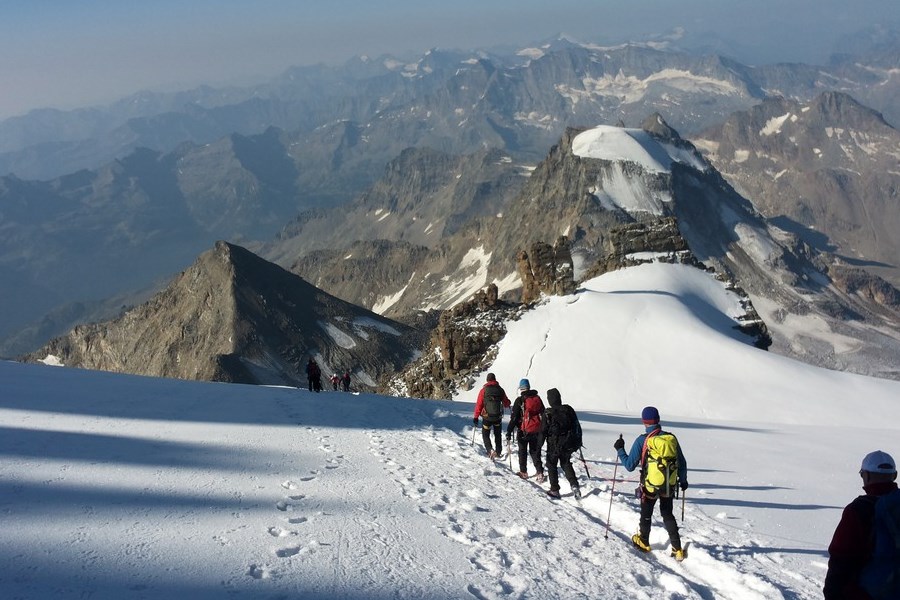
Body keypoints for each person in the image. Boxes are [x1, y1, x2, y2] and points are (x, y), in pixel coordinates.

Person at [824, 450, 900, 599]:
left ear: (867, 476)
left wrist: (833, 593)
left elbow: (841, 558)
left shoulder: (858, 510)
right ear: (894, 476)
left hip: (866, 593)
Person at [614, 406, 687, 560]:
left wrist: (620, 449)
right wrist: (684, 480)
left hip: (650, 485)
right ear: (658, 419)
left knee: (646, 513)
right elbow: (681, 462)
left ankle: (644, 541)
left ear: (644, 421)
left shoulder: (643, 440)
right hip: (668, 484)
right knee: (667, 513)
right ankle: (678, 549)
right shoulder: (670, 438)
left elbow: (629, 465)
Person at [542, 388, 581, 499]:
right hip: (567, 443)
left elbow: (543, 431)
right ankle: (574, 485)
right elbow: (576, 425)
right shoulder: (568, 410)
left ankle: (554, 490)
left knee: (551, 465)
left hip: (553, 445)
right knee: (566, 463)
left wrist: (538, 445)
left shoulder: (548, 413)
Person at [506, 378, 546, 483]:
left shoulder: (520, 400)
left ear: (521, 388)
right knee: (535, 452)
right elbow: (543, 412)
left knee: (522, 451)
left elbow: (514, 418)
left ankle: (523, 472)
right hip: (537, 429)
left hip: (523, 430)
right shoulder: (537, 398)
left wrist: (509, 431)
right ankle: (540, 472)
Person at [472, 373, 510, 459]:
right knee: (497, 434)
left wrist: (476, 417)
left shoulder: (484, 390)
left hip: (487, 417)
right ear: (495, 379)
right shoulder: (500, 390)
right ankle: (498, 451)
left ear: (487, 380)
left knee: (485, 434)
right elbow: (506, 403)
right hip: (497, 417)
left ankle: (490, 450)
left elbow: (479, 404)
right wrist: (509, 402)